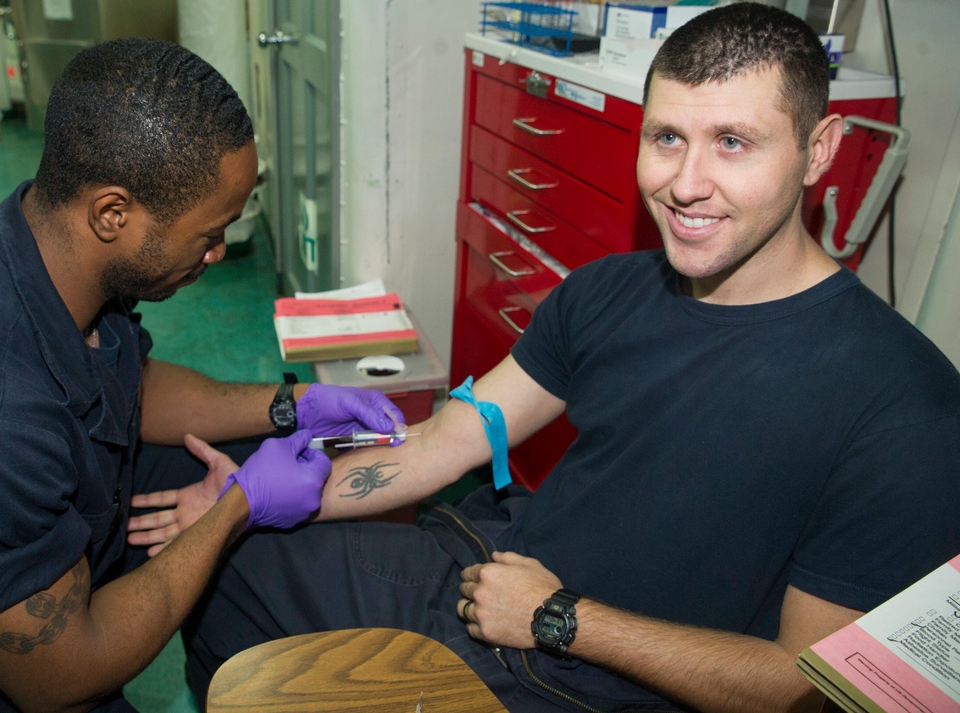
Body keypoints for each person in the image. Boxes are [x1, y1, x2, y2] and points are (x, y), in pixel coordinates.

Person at [131, 4, 960, 712]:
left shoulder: (904, 407)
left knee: (230, 577)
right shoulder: (611, 291)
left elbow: (798, 685)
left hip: (585, 667)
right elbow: (440, 445)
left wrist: (562, 617)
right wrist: (245, 499)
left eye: (734, 142)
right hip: (491, 561)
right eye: (666, 136)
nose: (685, 182)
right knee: (215, 531)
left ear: (819, 150)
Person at [0, 38, 406, 712]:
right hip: (34, 670)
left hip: (77, 499)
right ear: (113, 213)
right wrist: (235, 507)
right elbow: (63, 673)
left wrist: (293, 403)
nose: (220, 250)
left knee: (259, 479)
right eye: (209, 232)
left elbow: (126, 382)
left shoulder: (52, 243)